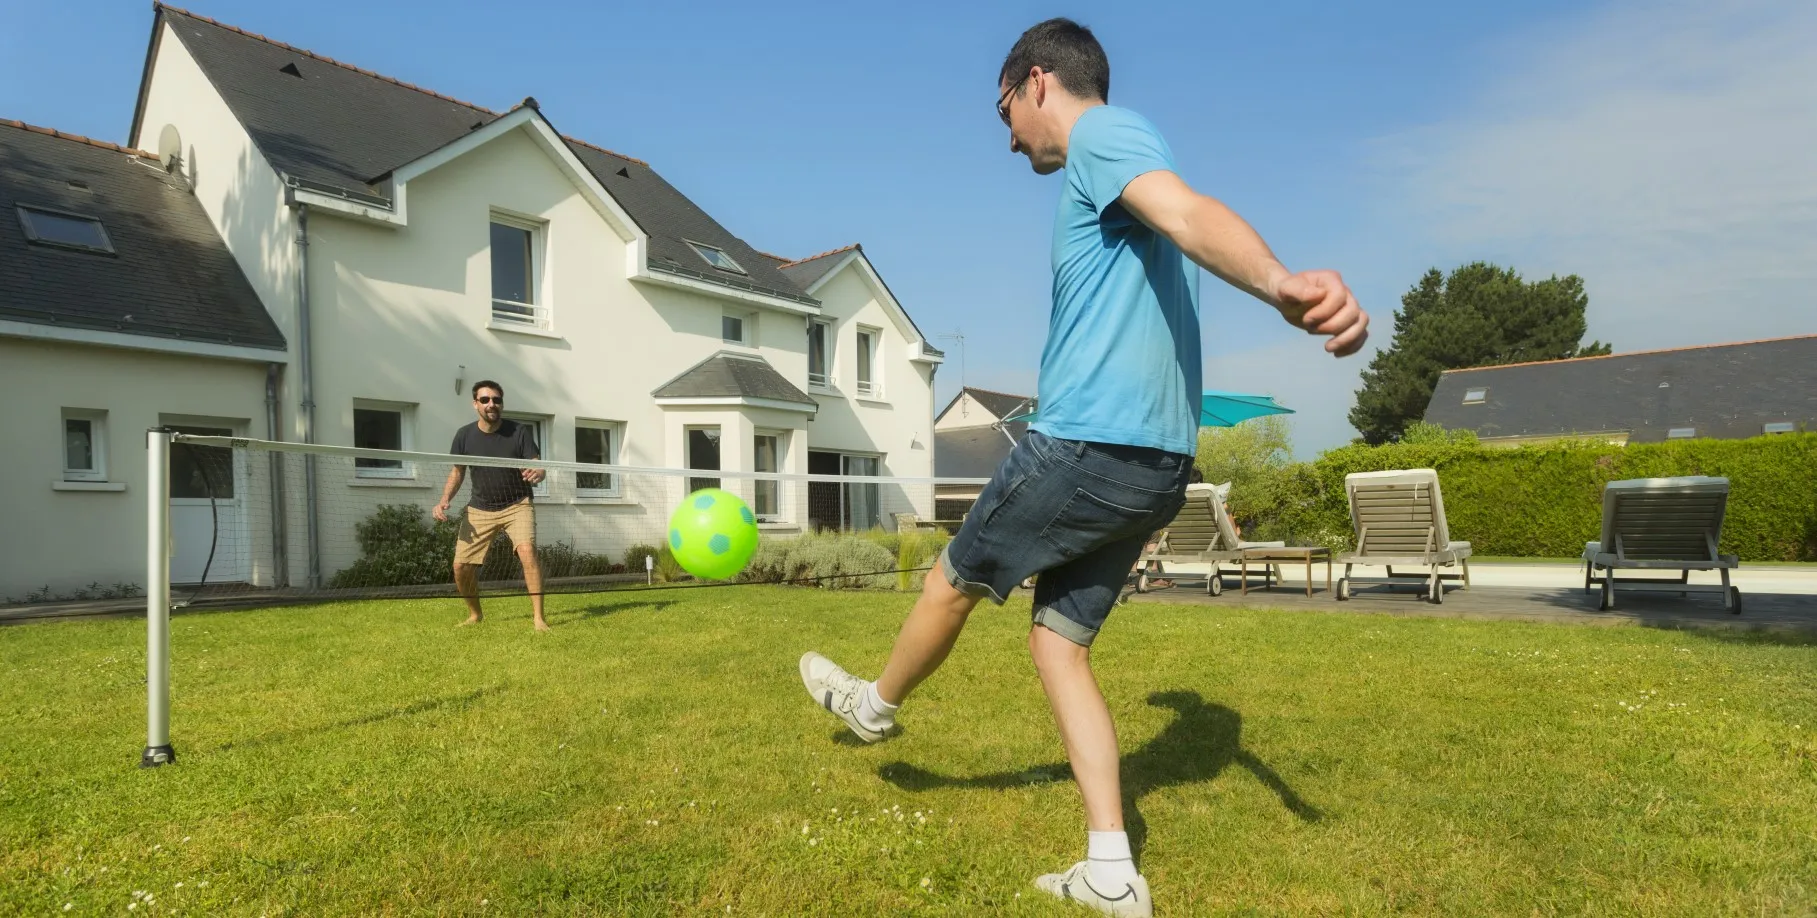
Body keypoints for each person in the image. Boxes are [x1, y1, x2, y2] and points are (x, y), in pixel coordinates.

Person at [798, 17, 1368, 917]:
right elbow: (1172, 219)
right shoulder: (1110, 170)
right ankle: (1111, 870)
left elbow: (1187, 212)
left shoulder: (1103, 133)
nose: (1005, 135)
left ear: (1035, 82)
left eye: (1002, 112)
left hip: (1088, 445)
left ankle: (871, 703)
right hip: (1156, 464)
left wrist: (1277, 282)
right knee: (1057, 642)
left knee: (951, 578)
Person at [433, 380, 549, 631]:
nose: (491, 404)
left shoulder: (518, 432)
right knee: (460, 566)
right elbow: (457, 471)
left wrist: (539, 472)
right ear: (475, 404)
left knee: (527, 552)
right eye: (485, 400)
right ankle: (475, 615)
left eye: (496, 399)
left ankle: (539, 619)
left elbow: (537, 464)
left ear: (502, 404)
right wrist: (444, 500)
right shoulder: (464, 435)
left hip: (517, 504)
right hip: (480, 507)